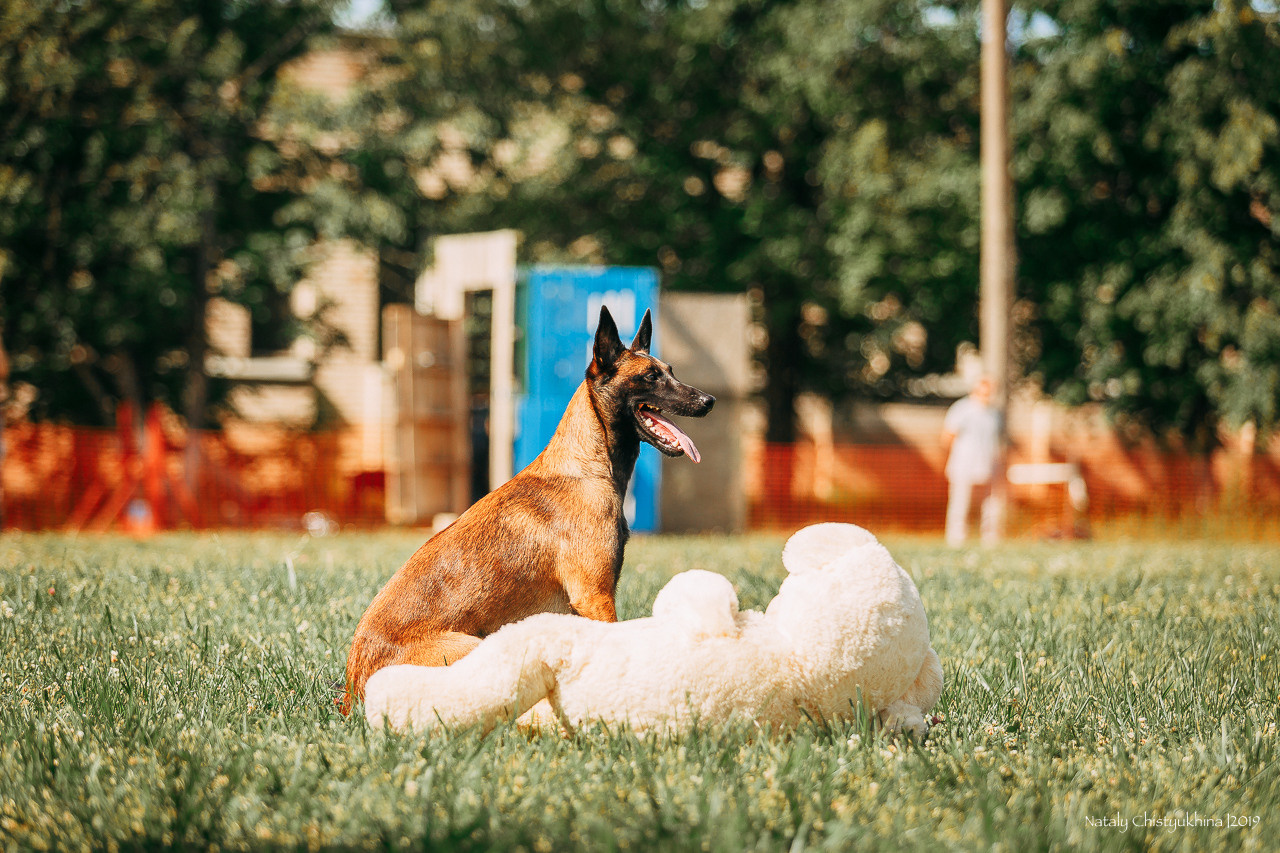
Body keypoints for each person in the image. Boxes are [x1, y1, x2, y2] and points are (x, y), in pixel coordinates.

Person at [941, 375, 1003, 546]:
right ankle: (956, 539)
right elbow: (947, 436)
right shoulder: (962, 409)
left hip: (988, 465)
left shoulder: (994, 414)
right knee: (960, 502)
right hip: (963, 464)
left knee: (991, 505)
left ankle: (990, 539)